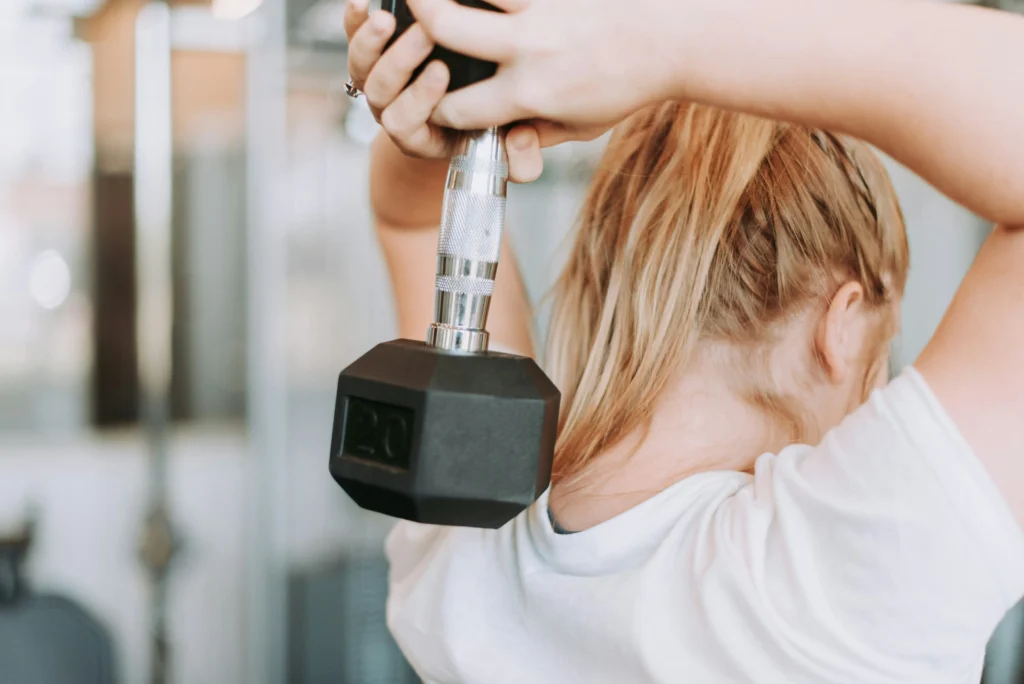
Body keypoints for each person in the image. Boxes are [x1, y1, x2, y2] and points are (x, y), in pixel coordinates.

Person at [343, 0, 1024, 681]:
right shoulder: (827, 594)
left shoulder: (464, 533)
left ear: (603, 275)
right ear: (840, 326)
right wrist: (651, 38)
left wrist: (444, 94)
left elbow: (411, 217)